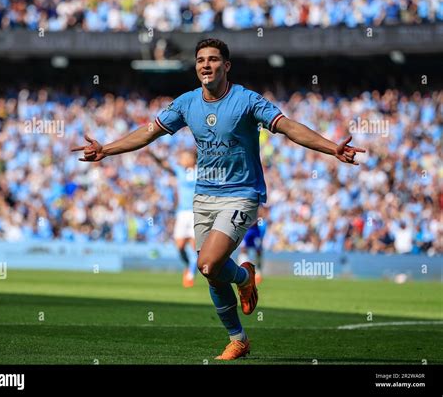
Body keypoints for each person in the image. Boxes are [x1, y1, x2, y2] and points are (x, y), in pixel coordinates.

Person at [71, 38, 365, 360]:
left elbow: (289, 127)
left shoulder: (247, 101)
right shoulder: (186, 104)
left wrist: (331, 147)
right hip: (204, 198)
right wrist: (106, 150)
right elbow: (148, 132)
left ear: (226, 66)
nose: (205, 65)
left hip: (241, 195)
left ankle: (242, 278)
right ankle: (239, 335)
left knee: (208, 263)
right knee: (211, 272)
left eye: (212, 60)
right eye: (200, 60)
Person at [147, 149, 197, 287]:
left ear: (193, 159)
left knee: (194, 246)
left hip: (197, 213)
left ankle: (191, 275)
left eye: (185, 157)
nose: (182, 159)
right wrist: (151, 153)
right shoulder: (180, 171)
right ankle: (188, 266)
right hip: (182, 213)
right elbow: (164, 164)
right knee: (180, 246)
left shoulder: (202, 172)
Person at [237, 205, 268, 285]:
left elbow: (262, 216)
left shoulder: (259, 204)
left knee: (258, 251)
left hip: (255, 231)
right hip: (246, 231)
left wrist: (259, 222)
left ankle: (258, 273)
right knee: (243, 249)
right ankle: (242, 271)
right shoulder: (246, 200)